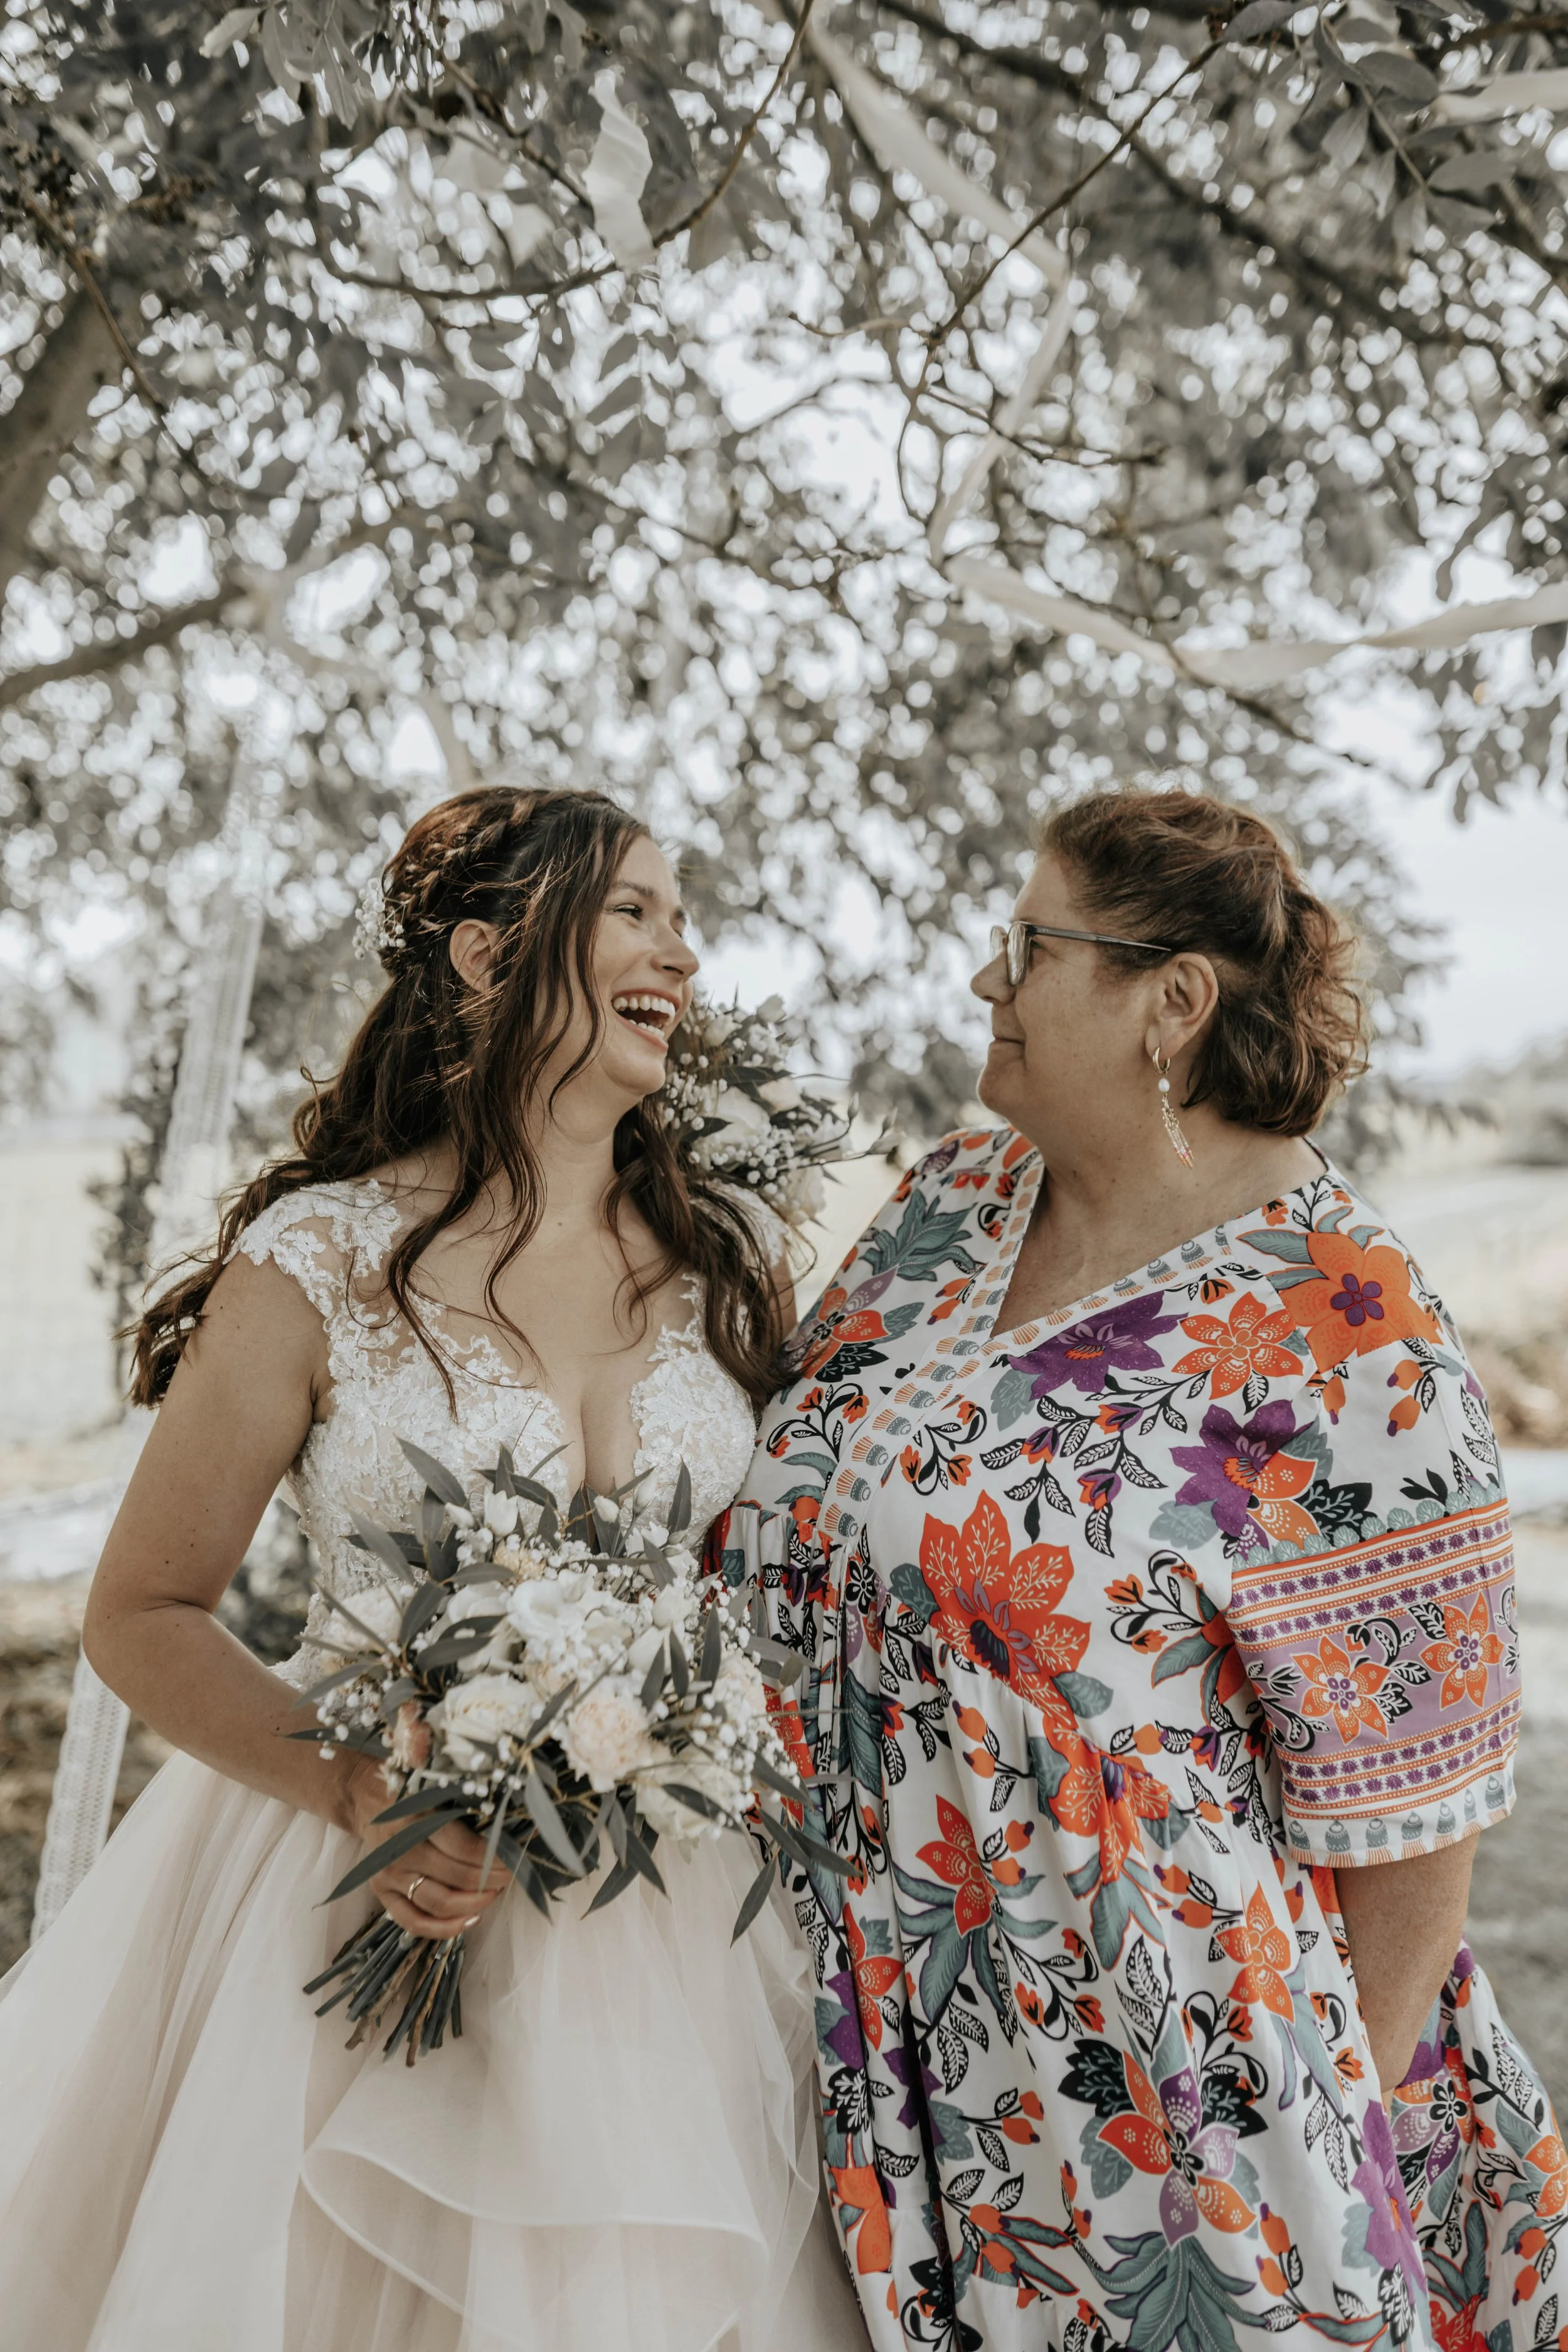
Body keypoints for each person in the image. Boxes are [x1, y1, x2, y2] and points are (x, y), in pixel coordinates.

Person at [0, 785, 866, 2352]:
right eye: (637, 910)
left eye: (681, 914)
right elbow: (138, 1610)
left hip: (664, 1921)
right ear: (486, 955)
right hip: (346, 1874)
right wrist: (355, 1787)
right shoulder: (318, 1262)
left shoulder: (728, 1259)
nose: (684, 946)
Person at [724, 790, 1560, 2352]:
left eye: (1029, 946)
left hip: (1146, 2106)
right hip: (828, 2014)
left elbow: (1414, 1827)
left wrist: (1316, 2162)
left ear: (1167, 1001)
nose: (987, 982)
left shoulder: (1346, 1330)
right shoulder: (940, 1209)